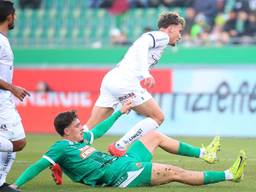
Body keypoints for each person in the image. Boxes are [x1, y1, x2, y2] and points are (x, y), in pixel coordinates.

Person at [10, 102, 246, 190]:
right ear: (66, 131)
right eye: (78, 125)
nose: (83, 128)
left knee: (154, 134)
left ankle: (206, 154)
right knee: (176, 173)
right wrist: (15, 186)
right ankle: (229, 175)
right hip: (121, 175)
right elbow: (38, 165)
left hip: (121, 162)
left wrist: (120, 114)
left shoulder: (81, 140)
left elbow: (99, 130)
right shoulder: (61, 147)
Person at [86, 12, 185, 156]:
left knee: (90, 127)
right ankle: (120, 146)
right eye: (179, 31)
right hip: (125, 82)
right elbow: (142, 44)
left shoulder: (158, 39)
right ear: (170, 28)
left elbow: (140, 47)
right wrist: (145, 73)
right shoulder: (162, 36)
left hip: (112, 78)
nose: (180, 35)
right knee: (158, 117)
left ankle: (62, 155)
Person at [0, 1, 30, 191]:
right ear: (9, 16)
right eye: (15, 14)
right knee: (18, 142)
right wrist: (12, 88)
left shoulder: (3, 40)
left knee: (11, 140)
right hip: (1, 100)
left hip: (4, 99)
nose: (16, 18)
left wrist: (10, 89)